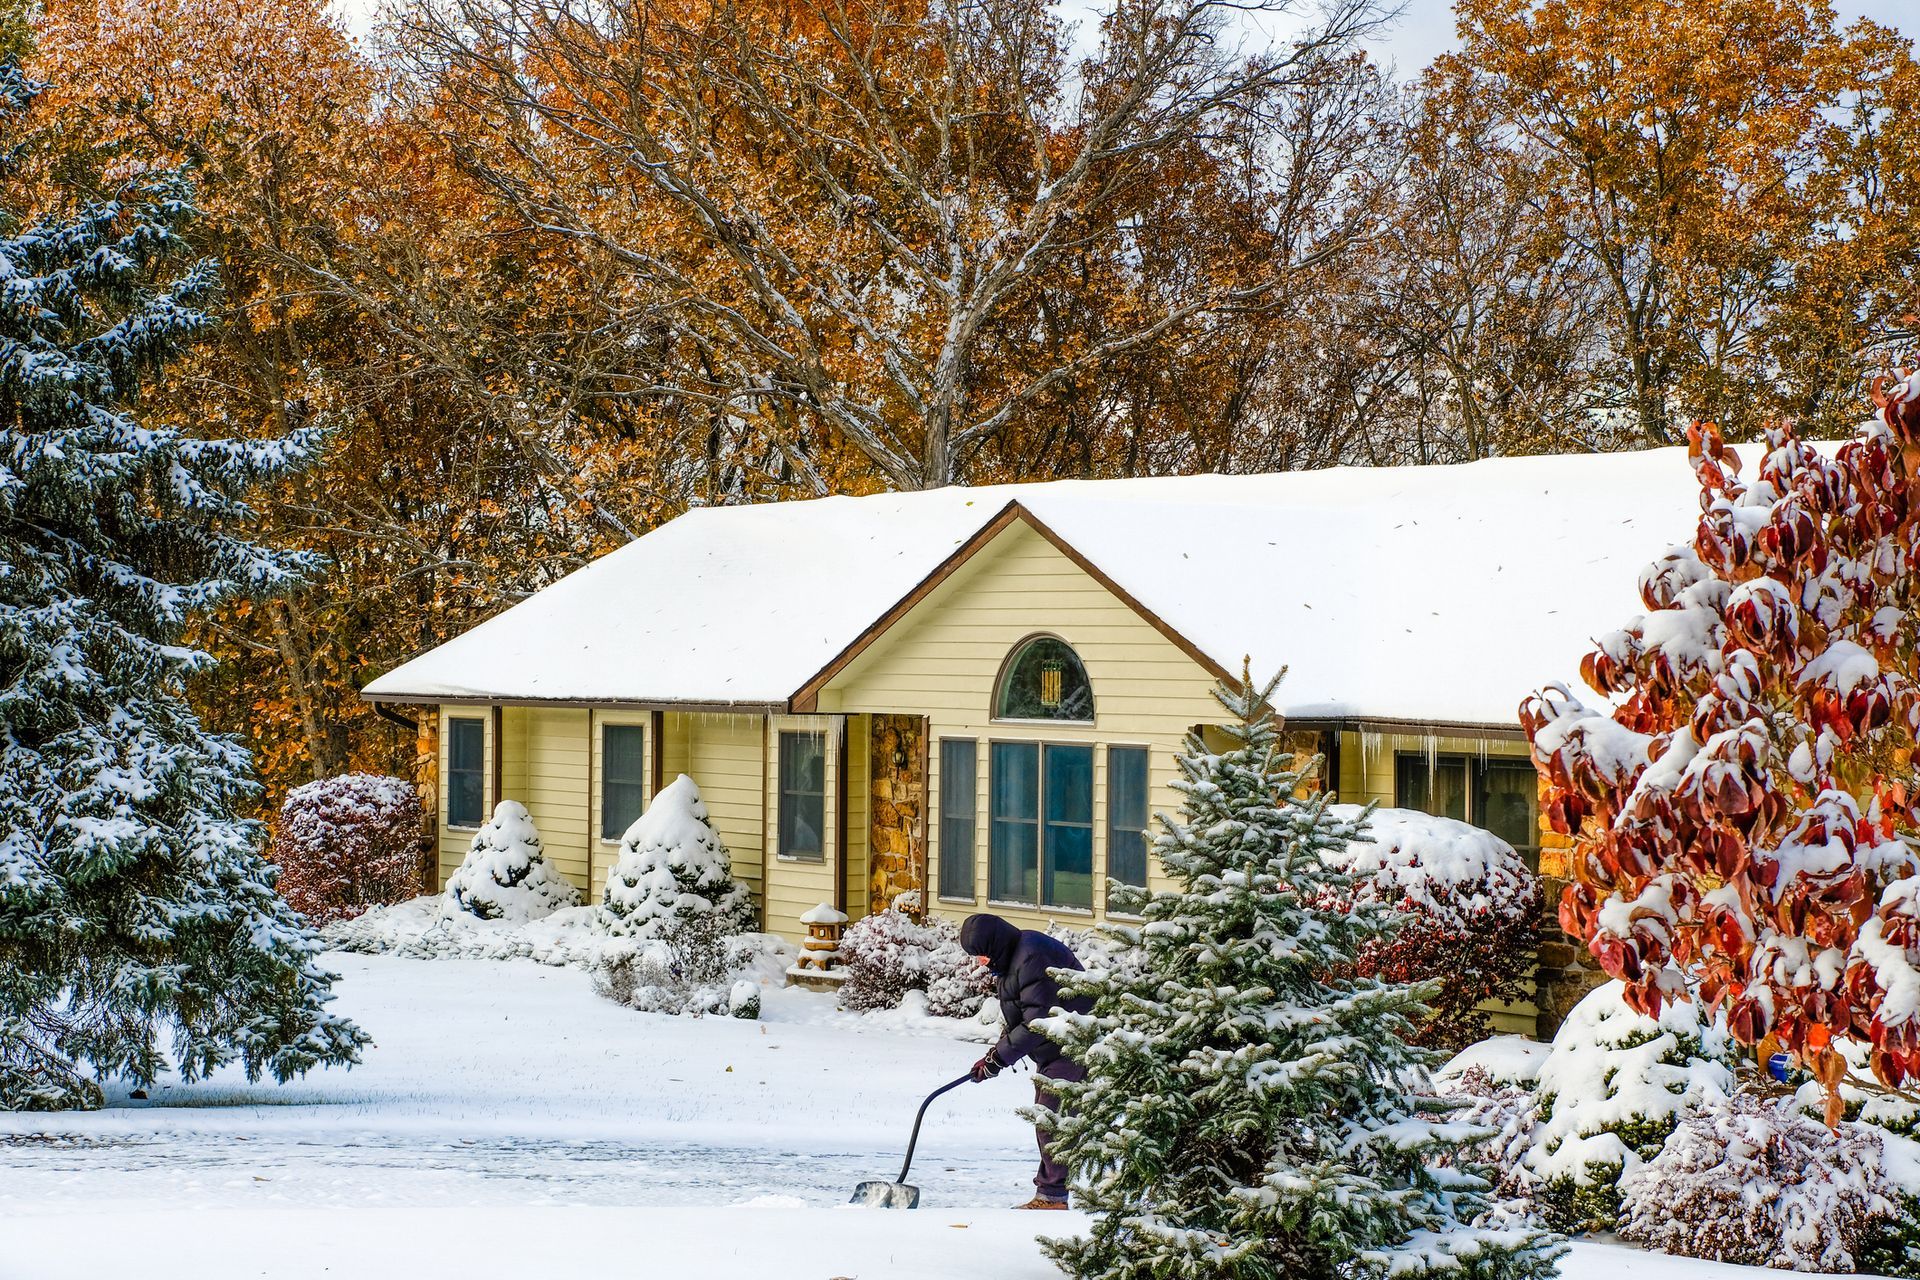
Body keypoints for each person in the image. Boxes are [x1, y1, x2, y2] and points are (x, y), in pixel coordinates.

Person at [959, 912, 1092, 1210]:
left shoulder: (1032, 956)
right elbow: (1019, 1019)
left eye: (981, 956)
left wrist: (999, 1059)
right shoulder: (1010, 961)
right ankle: (1051, 1195)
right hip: (1054, 1047)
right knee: (1047, 1119)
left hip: (1074, 1042)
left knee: (1051, 1120)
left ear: (994, 945)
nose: (981, 963)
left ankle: (1052, 1198)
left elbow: (1037, 1022)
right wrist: (992, 1057)